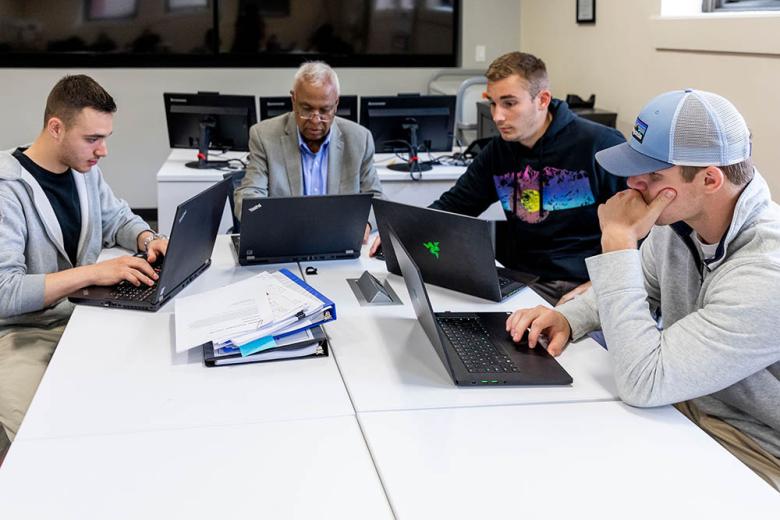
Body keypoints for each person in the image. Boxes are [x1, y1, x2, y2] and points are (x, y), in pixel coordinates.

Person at [506, 89, 780, 489]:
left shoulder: (767, 272)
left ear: (709, 179)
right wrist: (569, 315)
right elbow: (636, 289)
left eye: (652, 175)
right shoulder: (681, 223)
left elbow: (644, 382)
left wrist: (618, 241)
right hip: (686, 408)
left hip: (752, 446)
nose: (632, 185)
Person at [369, 52, 626, 305]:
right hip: (521, 281)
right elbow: (455, 205)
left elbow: (643, 232)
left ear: (542, 99)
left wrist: (598, 286)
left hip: (579, 284)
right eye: (492, 103)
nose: (497, 116)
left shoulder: (600, 145)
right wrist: (404, 232)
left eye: (509, 103)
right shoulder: (499, 151)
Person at [0, 75, 168, 456]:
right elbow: (4, 292)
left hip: (81, 319)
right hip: (19, 335)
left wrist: (148, 240)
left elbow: (119, 219)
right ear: (56, 128)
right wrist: (94, 273)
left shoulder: (84, 170)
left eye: (106, 137)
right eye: (93, 139)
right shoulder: (6, 189)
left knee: (144, 403)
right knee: (51, 443)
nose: (103, 150)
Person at [234, 61, 383, 242]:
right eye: (307, 109)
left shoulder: (359, 139)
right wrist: (271, 225)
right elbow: (248, 196)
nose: (315, 120)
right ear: (293, 100)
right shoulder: (264, 136)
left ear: (336, 104)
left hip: (338, 241)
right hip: (285, 240)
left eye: (324, 110)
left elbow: (377, 199)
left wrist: (365, 224)